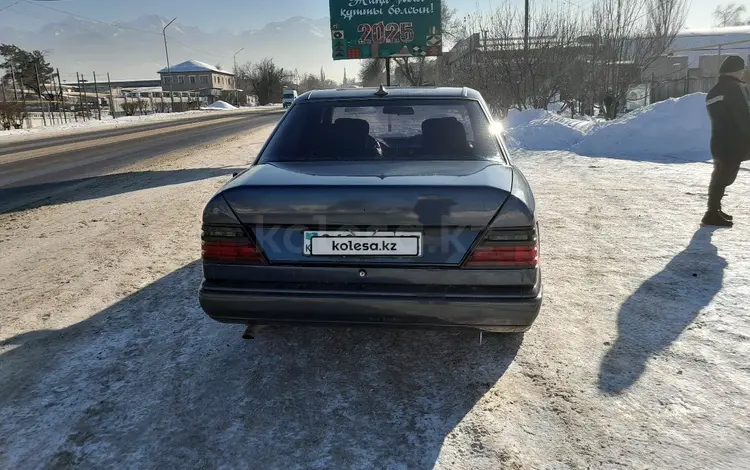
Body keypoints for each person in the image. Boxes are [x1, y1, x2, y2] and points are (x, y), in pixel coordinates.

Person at [703, 55, 750, 227]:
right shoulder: (736, 88)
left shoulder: (714, 91)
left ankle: (714, 209)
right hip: (735, 141)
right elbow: (743, 115)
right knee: (725, 177)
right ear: (737, 70)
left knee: (720, 175)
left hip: (719, 140)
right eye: (742, 70)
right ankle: (711, 213)